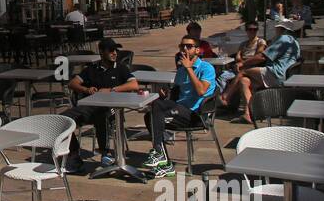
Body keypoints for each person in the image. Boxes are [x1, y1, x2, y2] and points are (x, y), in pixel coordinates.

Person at [141, 36, 217, 178]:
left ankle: (161, 156)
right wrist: (166, 95)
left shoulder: (207, 68)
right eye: (182, 46)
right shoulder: (181, 71)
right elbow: (175, 97)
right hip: (180, 111)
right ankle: (162, 159)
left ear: (198, 50)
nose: (184, 49)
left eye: (189, 46)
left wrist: (189, 69)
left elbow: (201, 91)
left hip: (197, 114)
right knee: (151, 113)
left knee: (155, 112)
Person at [63, 38, 141, 173]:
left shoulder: (121, 68)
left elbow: (134, 84)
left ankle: (105, 153)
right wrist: (87, 90)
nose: (115, 53)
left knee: (102, 114)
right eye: (111, 50)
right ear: (101, 52)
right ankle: (74, 154)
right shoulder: (92, 69)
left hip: (112, 110)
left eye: (116, 50)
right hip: (89, 107)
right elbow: (72, 83)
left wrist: (112, 90)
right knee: (64, 119)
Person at [222, 22, 301, 123]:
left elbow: (262, 57)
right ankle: (248, 114)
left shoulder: (283, 39)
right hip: (282, 75)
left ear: (280, 29)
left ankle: (226, 97)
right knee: (244, 81)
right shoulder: (294, 41)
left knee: (242, 72)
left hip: (276, 73)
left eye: (276, 28)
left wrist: (242, 63)